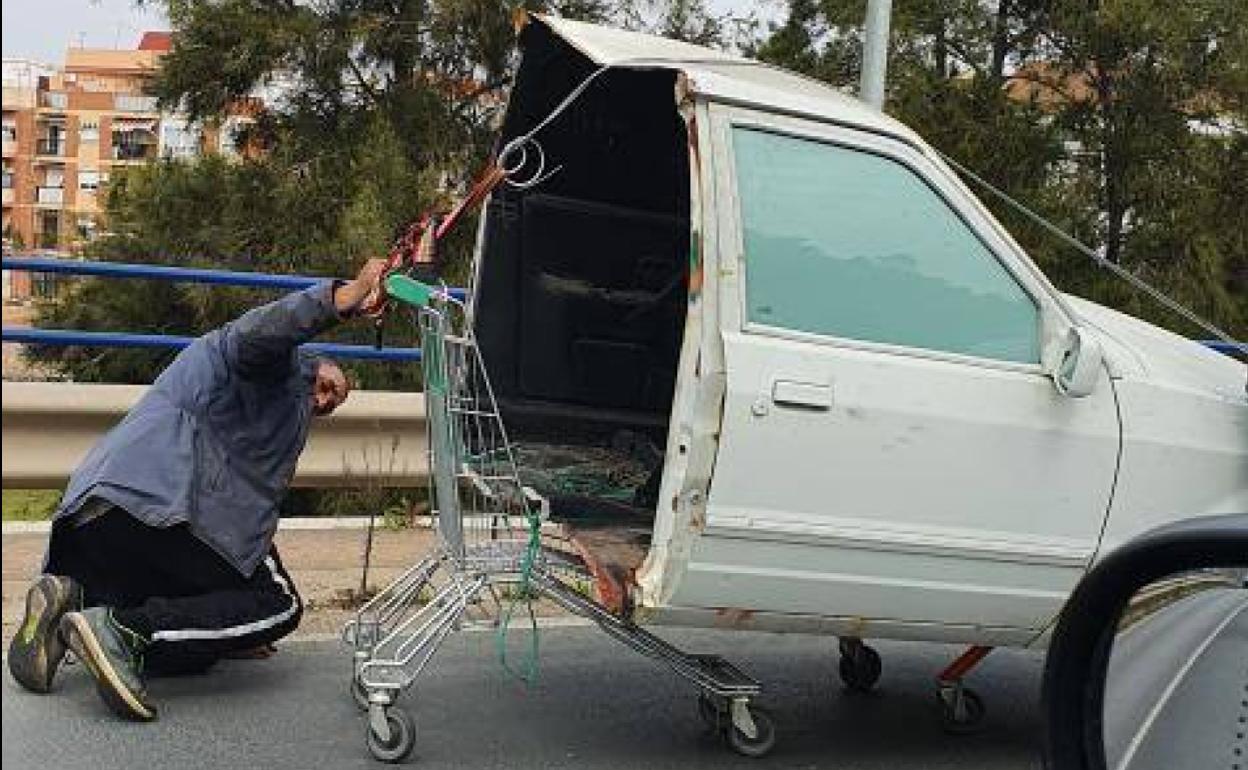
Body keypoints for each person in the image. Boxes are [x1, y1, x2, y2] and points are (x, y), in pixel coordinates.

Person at [7, 258, 389, 721]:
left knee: (195, 656)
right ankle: (125, 631)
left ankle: (74, 600)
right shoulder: (264, 362)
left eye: (333, 402)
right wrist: (343, 298)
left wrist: (228, 625)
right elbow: (266, 330)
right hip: (165, 508)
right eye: (328, 385)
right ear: (316, 363)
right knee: (278, 603)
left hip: (94, 522)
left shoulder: (252, 402)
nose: (324, 399)